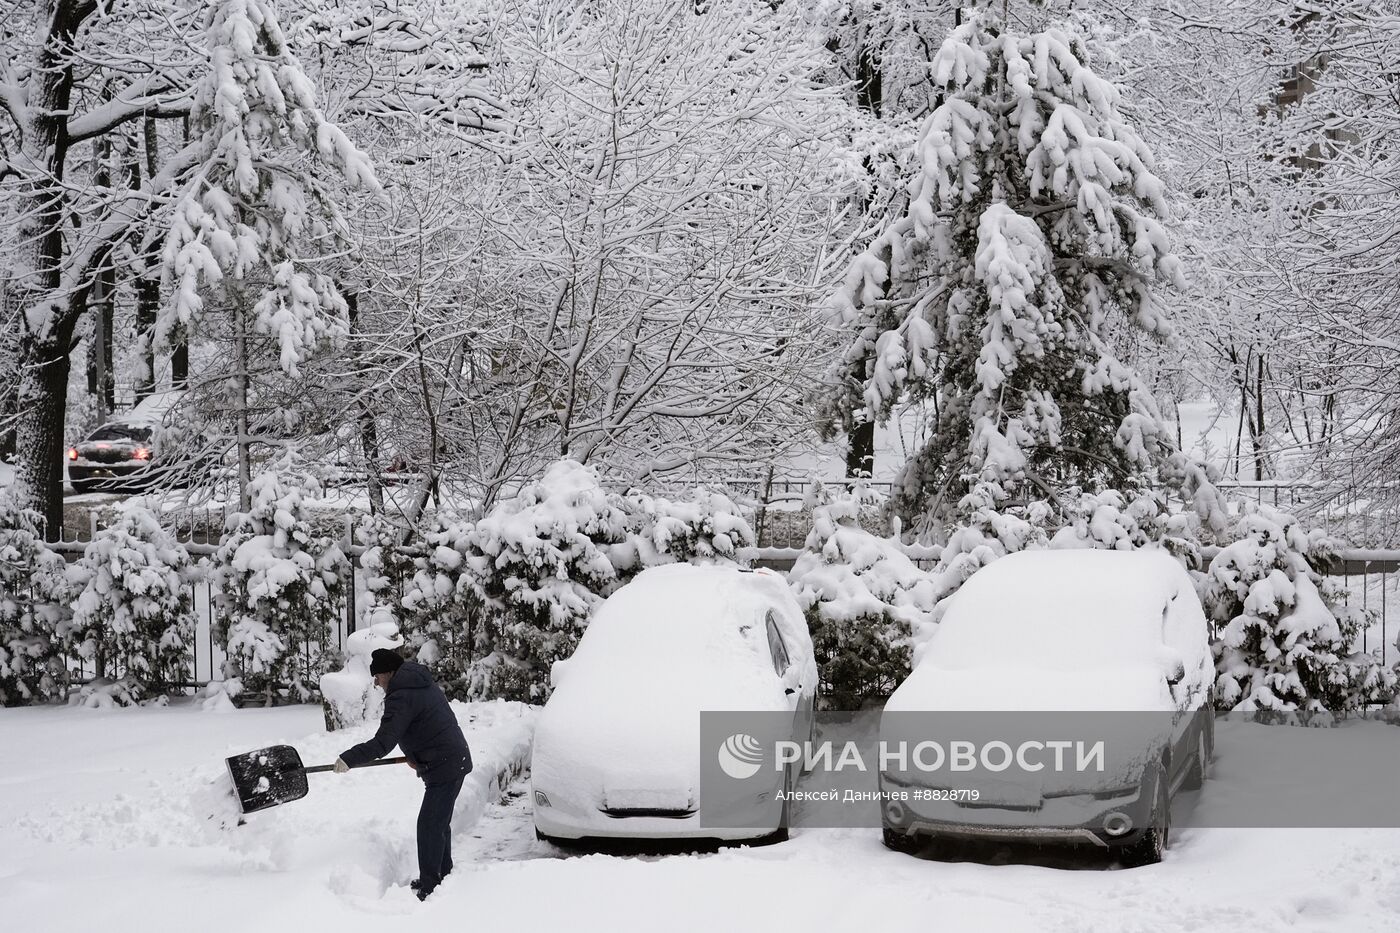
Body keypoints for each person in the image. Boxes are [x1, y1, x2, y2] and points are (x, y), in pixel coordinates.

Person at [335, 648, 472, 900]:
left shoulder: (401, 696)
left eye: (377, 676)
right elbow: (427, 723)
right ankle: (442, 874)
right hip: (449, 758)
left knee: (430, 825)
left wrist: (349, 758)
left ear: (389, 672)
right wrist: (416, 756)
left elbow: (383, 743)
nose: (376, 682)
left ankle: (431, 887)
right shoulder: (418, 683)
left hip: (445, 764)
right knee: (438, 823)